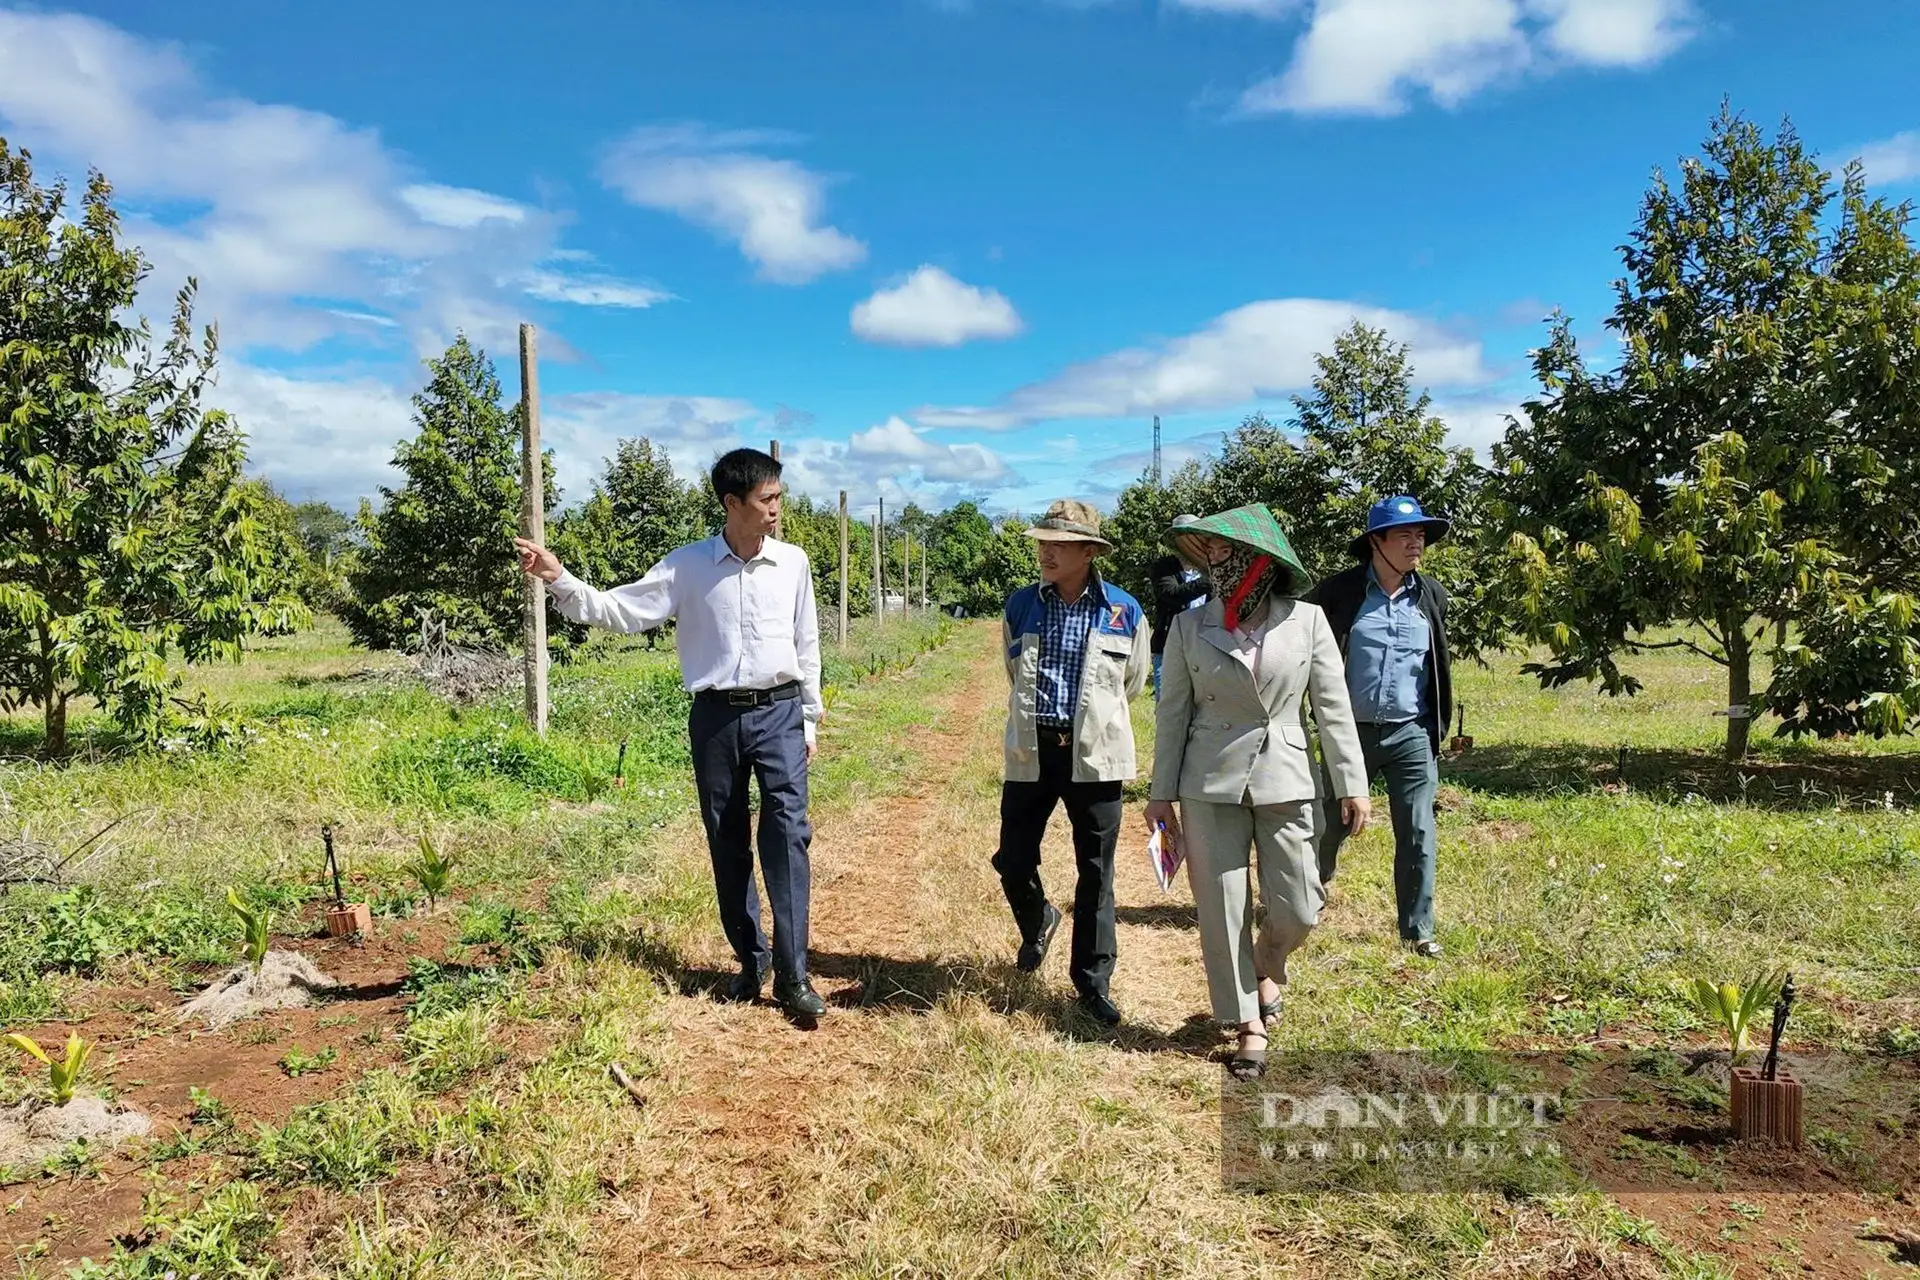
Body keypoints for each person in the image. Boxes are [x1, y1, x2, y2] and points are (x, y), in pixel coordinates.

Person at [513, 448, 829, 1019]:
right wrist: (559, 578)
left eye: (779, 496)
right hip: (714, 718)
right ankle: (750, 962)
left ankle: (793, 974)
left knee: (787, 837)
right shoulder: (687, 567)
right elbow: (622, 611)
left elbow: (807, 644)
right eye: (768, 499)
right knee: (726, 839)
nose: (778, 508)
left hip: (780, 712)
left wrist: (808, 717)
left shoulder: (795, 564)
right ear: (733, 503)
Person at [1144, 505, 1369, 1079]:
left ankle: (1268, 961)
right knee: (1222, 910)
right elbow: (1171, 714)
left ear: (1262, 562)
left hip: (1288, 777)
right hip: (1207, 780)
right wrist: (1160, 793)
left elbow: (1333, 708)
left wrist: (1352, 782)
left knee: (1300, 904)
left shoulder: (1308, 622)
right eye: (1210, 555)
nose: (1216, 565)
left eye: (1227, 554)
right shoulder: (1191, 627)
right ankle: (1248, 1024)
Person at [993, 499, 1149, 1027]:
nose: (1046, 552)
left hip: (1096, 755)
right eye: (1042, 543)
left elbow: (1132, 683)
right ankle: (1038, 919)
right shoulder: (1020, 605)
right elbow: (1014, 673)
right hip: (1034, 748)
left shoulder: (1124, 611)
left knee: (1096, 872)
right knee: (1013, 857)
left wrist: (1089, 721)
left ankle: (1092, 983)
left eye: (1058, 544)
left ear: (1088, 551)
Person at [1308, 495, 1454, 959]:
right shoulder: (1336, 596)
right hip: (1348, 732)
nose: (1417, 544)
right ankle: (1306, 901)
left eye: (1421, 536)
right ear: (1376, 541)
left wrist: (1436, 726)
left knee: (1417, 831)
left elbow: (1434, 667)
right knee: (1329, 823)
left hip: (1411, 731)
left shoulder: (1431, 595)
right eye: (1405, 535)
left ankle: (1418, 929)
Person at [1149, 514, 1210, 700]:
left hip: (1203, 645)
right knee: (1168, 702)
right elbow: (1172, 594)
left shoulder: (1209, 567)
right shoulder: (1163, 567)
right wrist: (1210, 581)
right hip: (1168, 646)